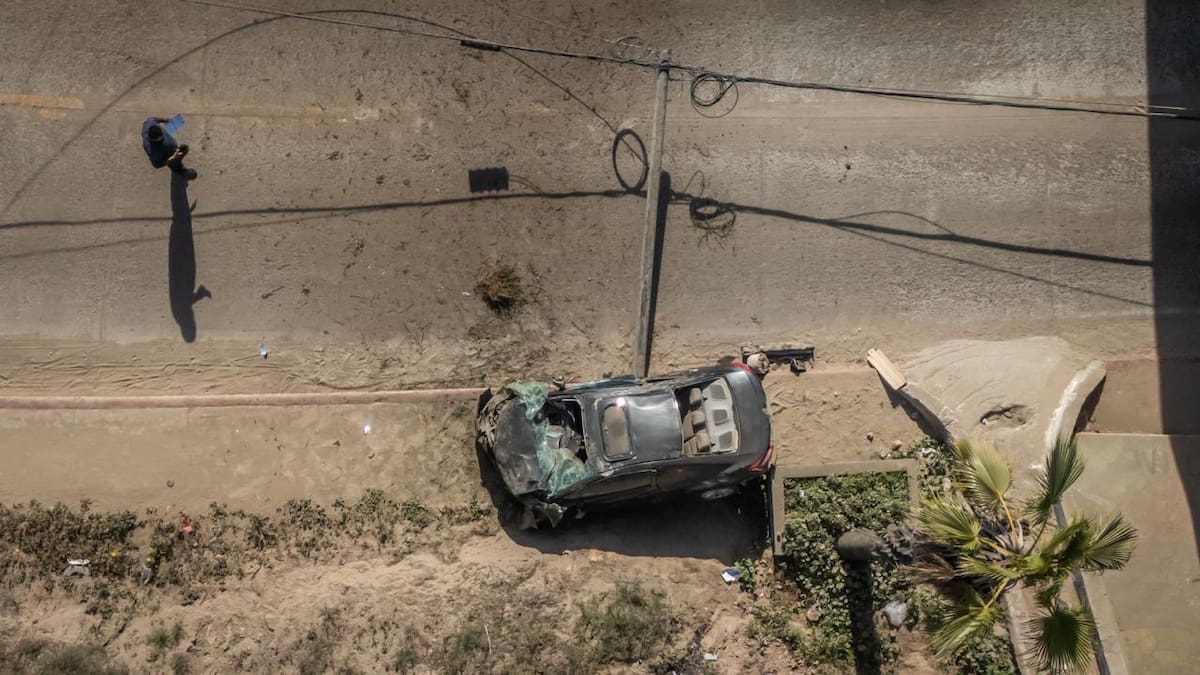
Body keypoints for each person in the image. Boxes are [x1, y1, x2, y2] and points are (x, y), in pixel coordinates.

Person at [141, 116, 197, 180]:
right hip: (169, 156)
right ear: (152, 139)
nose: (162, 138)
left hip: (174, 149)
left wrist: (166, 120)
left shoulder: (149, 124)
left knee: (184, 148)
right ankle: (181, 171)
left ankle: (179, 157)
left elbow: (153, 119)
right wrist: (173, 157)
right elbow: (157, 165)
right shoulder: (153, 152)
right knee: (175, 164)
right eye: (160, 139)